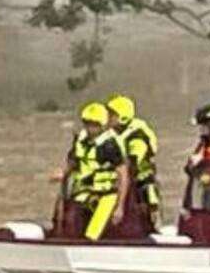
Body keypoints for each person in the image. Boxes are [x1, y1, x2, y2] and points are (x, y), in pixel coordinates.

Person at [65, 102, 130, 240]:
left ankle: (91, 245)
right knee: (71, 225)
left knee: (93, 232)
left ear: (102, 125)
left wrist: (120, 207)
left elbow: (123, 175)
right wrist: (63, 173)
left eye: (94, 124)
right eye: (87, 123)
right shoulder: (81, 140)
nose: (90, 128)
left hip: (106, 195)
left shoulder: (110, 145)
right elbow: (73, 162)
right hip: (84, 192)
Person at [106, 94, 162, 227]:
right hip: (118, 178)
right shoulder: (111, 134)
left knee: (148, 196)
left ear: (122, 116)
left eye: (112, 115)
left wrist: (121, 168)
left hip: (140, 179)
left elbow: (133, 160)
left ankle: (153, 221)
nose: (108, 118)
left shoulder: (137, 135)